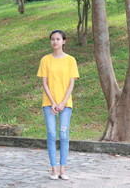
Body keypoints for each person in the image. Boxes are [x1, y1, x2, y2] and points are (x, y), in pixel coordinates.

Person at [37, 30, 79, 180]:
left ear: (64, 41)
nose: (55, 42)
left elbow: (71, 83)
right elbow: (44, 83)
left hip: (65, 104)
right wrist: (54, 103)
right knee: (52, 134)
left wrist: (62, 103)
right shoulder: (45, 60)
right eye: (53, 39)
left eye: (58, 39)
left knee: (63, 134)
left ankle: (63, 170)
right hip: (49, 103)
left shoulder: (71, 60)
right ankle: (53, 169)